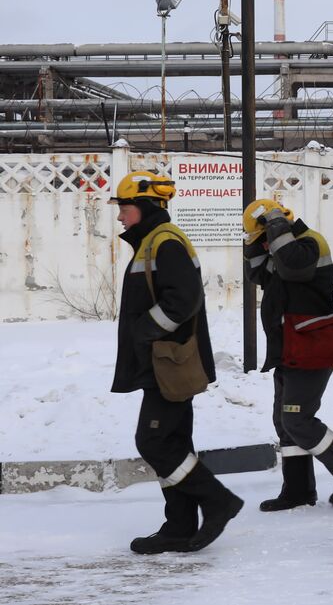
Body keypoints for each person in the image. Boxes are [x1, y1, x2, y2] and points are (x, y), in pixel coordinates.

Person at [109, 170, 243, 555]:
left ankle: (217, 501)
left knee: (152, 441)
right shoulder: (153, 241)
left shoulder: (164, 242)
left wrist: (144, 331)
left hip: (169, 364)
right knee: (173, 442)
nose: (120, 217)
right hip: (163, 362)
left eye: (125, 208)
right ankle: (179, 527)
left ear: (145, 206)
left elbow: (183, 301)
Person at [242, 198, 333, 512]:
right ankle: (298, 490)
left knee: (297, 419)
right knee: (284, 421)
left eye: (265, 237)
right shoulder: (281, 247)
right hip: (289, 348)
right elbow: (258, 275)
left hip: (310, 346)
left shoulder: (308, 243)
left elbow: (294, 268)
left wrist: (274, 226)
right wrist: (257, 242)